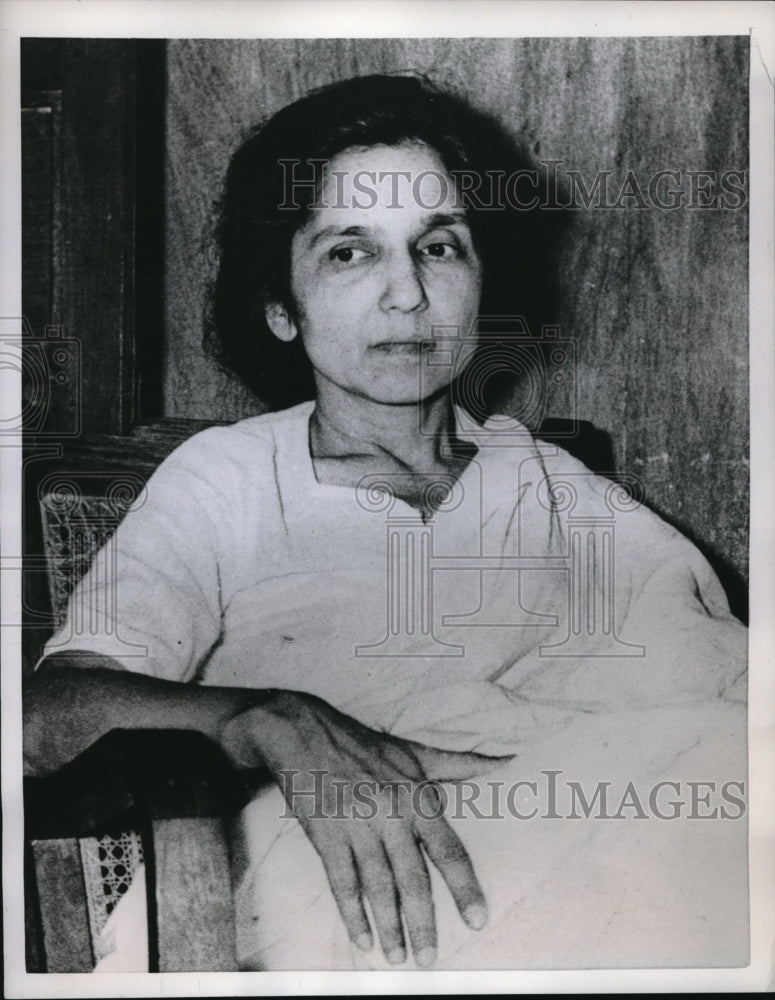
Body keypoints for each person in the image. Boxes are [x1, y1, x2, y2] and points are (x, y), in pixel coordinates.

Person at [24, 74, 748, 972]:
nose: (406, 294)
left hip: (609, 856)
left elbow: (723, 699)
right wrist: (263, 717)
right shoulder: (231, 481)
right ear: (280, 307)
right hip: (355, 898)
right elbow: (43, 718)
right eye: (349, 253)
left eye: (438, 247)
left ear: (482, 280)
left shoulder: (560, 489)